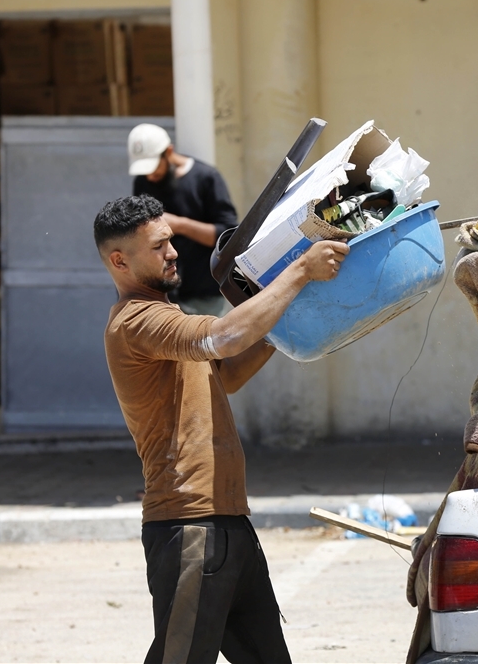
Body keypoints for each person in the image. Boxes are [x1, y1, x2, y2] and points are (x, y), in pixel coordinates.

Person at [93, 194, 349, 663]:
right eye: (158, 246)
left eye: (170, 241)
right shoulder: (136, 322)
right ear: (119, 260)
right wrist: (300, 272)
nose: (172, 252)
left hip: (228, 522)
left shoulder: (166, 318)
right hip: (189, 526)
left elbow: (223, 373)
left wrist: (285, 317)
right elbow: (224, 337)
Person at [127, 123, 237, 316]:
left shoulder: (206, 178)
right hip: (162, 294)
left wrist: (179, 225)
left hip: (204, 293)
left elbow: (227, 236)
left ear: (168, 152)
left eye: (153, 167)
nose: (150, 176)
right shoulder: (143, 181)